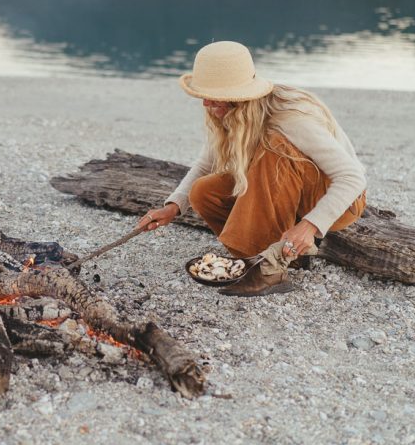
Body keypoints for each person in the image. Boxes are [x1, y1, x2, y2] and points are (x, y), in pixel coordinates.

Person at [137, 41, 367, 296]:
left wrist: (310, 226)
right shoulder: (229, 114)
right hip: (287, 191)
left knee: (274, 147)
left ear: (237, 98)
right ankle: (270, 255)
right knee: (204, 191)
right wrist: (173, 206)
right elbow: (206, 164)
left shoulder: (290, 117)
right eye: (204, 96)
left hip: (337, 200)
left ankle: (271, 273)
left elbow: (352, 177)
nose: (205, 105)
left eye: (213, 98)